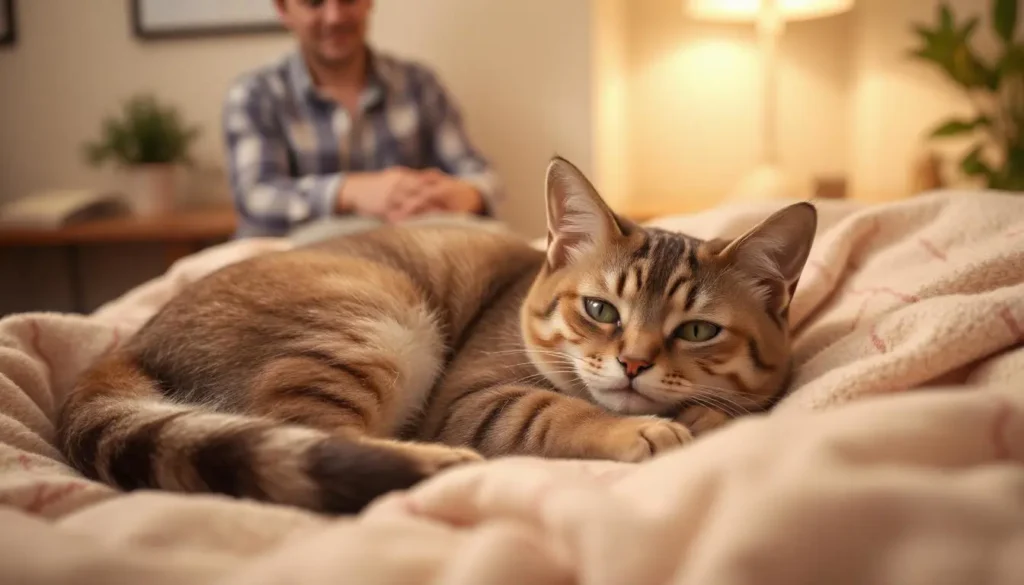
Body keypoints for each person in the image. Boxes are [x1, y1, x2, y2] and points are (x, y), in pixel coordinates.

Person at [222, 0, 503, 239]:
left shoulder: (419, 84)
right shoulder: (256, 94)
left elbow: (480, 175)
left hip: (408, 261)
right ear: (283, 9)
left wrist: (464, 195)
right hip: (295, 269)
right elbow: (256, 197)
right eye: (313, 2)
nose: (335, 16)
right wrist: (350, 192)